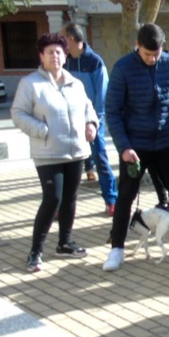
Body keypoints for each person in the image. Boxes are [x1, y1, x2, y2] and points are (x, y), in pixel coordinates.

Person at [103, 23, 169, 271]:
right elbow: (113, 112)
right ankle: (117, 249)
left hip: (165, 142)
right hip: (135, 146)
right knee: (126, 197)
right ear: (137, 46)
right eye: (147, 54)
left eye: (156, 54)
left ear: (163, 48)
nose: (152, 59)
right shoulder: (122, 68)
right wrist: (124, 146)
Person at [11, 33, 99, 272]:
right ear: (41, 56)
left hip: (76, 151)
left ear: (65, 54)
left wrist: (91, 123)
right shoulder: (30, 84)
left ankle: (65, 243)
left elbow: (88, 108)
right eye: (49, 52)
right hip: (48, 153)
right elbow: (18, 113)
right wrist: (42, 130)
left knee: (70, 199)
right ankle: (35, 252)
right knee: (52, 199)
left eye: (59, 52)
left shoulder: (75, 83)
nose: (55, 56)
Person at [61, 22, 118, 217]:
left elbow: (102, 96)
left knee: (100, 159)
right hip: (67, 121)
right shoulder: (64, 62)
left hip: (91, 121)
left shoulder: (95, 62)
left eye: (63, 39)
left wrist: (94, 123)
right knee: (64, 165)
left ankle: (111, 200)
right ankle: (62, 205)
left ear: (71, 39)